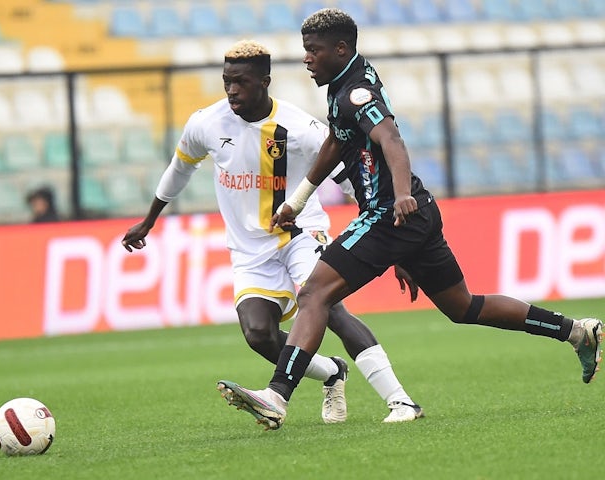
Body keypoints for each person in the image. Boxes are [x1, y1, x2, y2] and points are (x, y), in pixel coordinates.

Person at [216, 8, 603, 431]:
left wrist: (400, 197)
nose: (306, 58)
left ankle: (276, 396)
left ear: (340, 49)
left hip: (390, 214)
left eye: (313, 51)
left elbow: (391, 139)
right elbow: (335, 141)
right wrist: (299, 199)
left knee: (314, 295)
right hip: (413, 219)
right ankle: (576, 331)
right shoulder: (344, 80)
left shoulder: (354, 93)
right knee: (463, 306)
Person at [122, 40, 424, 424]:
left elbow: (356, 186)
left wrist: (396, 249)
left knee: (329, 307)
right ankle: (332, 371)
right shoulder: (206, 123)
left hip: (301, 234)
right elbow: (180, 168)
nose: (231, 90)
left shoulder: (302, 129)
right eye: (226, 81)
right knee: (258, 334)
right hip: (250, 249)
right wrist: (149, 220)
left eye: (241, 82)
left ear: (265, 81)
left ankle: (400, 400)